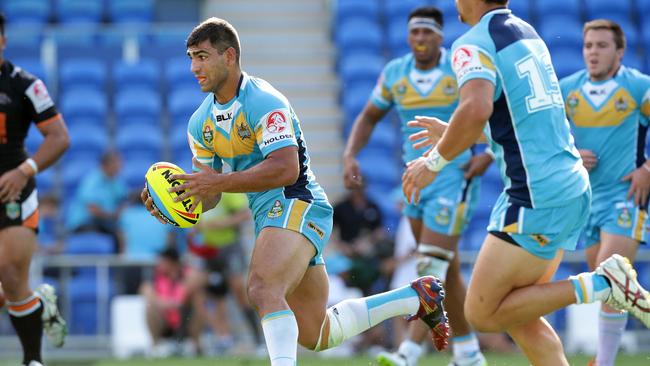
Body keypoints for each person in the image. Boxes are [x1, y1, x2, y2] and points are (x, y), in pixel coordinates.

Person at [141, 17, 450, 365]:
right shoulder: (200, 122)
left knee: (261, 287)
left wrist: (217, 183)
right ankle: (415, 297)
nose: (194, 67)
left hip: (297, 201)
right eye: (191, 57)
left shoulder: (264, 101)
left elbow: (285, 169)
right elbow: (209, 194)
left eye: (202, 56)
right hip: (272, 216)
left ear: (229, 56)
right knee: (318, 334)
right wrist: (179, 201)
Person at [401, 1, 650, 365]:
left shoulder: (472, 42)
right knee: (519, 314)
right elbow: (519, 124)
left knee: (483, 313)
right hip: (566, 186)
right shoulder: (528, 34)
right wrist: (454, 132)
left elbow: (474, 108)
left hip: (536, 195)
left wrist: (435, 161)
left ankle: (603, 283)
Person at [342, 7, 491, 365]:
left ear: (440, 36)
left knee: (431, 265)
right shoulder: (395, 73)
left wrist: (487, 153)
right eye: (415, 33)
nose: (420, 39)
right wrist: (350, 154)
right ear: (408, 37)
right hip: (414, 180)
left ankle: (408, 352)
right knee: (447, 269)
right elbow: (369, 115)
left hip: (453, 177)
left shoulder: (460, 67)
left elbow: (490, 109)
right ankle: (469, 354)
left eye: (427, 33)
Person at [559, 19, 650, 366]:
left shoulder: (639, 88)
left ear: (620, 51)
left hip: (625, 199)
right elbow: (546, 137)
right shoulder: (568, 90)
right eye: (588, 46)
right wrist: (571, 155)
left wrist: (647, 169)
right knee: (606, 285)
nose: (593, 53)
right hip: (586, 202)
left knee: (611, 276)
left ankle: (605, 362)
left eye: (602, 46)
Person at [0, 12, 69, 366]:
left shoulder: (24, 85)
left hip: (13, 192)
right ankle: (37, 303)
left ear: (3, 41)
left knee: (11, 275)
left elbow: (59, 137)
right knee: (10, 288)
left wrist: (23, 171)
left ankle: (32, 360)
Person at [184, 192, 264, 353]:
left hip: (230, 248)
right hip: (208, 250)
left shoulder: (226, 191)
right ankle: (218, 338)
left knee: (240, 292)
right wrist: (194, 229)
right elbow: (194, 219)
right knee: (194, 290)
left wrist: (220, 224)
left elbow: (244, 215)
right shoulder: (197, 191)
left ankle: (259, 342)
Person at [66, 150, 128, 253]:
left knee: (122, 232)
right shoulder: (92, 181)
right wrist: (114, 215)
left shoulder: (116, 181)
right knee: (116, 235)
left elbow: (124, 199)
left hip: (102, 223)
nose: (120, 167)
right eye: (117, 163)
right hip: (83, 223)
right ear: (106, 165)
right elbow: (93, 210)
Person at [140, 248, 197, 357]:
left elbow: (192, 290)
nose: (159, 264)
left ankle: (196, 345)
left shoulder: (188, 274)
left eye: (162, 261)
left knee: (198, 301)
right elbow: (145, 291)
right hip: (165, 320)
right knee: (150, 307)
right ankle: (155, 347)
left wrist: (177, 303)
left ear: (172, 262)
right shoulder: (155, 276)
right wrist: (171, 303)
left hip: (185, 319)